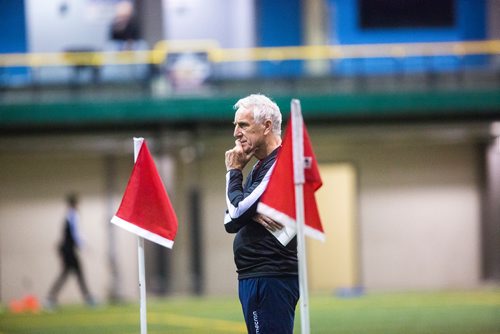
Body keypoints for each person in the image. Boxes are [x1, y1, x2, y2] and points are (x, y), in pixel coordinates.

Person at [224, 94, 299, 333]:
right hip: (256, 275)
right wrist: (251, 212)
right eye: (235, 125)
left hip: (269, 277)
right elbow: (230, 217)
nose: (236, 133)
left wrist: (234, 171)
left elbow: (235, 215)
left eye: (243, 125)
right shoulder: (259, 165)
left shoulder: (279, 163)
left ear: (266, 126)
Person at [45, 194, 95, 309]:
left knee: (69, 273)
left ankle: (51, 298)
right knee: (75, 273)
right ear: (75, 204)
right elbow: (75, 232)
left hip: (67, 249)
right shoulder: (73, 215)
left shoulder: (69, 215)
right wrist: (84, 246)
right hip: (68, 250)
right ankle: (88, 298)